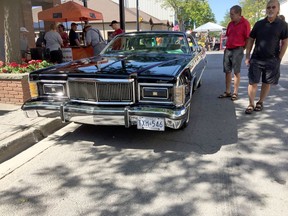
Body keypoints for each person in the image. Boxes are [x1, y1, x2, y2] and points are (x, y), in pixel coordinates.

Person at [244, 0, 288, 114]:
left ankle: (260, 102)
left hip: (272, 59)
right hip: (257, 58)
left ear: (278, 9)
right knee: (252, 82)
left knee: (266, 82)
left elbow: (285, 42)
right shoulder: (259, 24)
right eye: (268, 7)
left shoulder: (283, 25)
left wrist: (279, 58)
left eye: (273, 7)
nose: (271, 9)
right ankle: (250, 104)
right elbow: (251, 39)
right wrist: (247, 55)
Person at [218, 5, 251, 101]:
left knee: (236, 71)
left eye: (232, 14)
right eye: (230, 14)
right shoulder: (230, 24)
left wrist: (243, 49)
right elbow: (228, 36)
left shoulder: (245, 23)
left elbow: (248, 38)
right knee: (227, 71)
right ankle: (228, 91)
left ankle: (235, 92)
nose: (230, 16)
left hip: (238, 49)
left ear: (238, 14)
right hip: (228, 49)